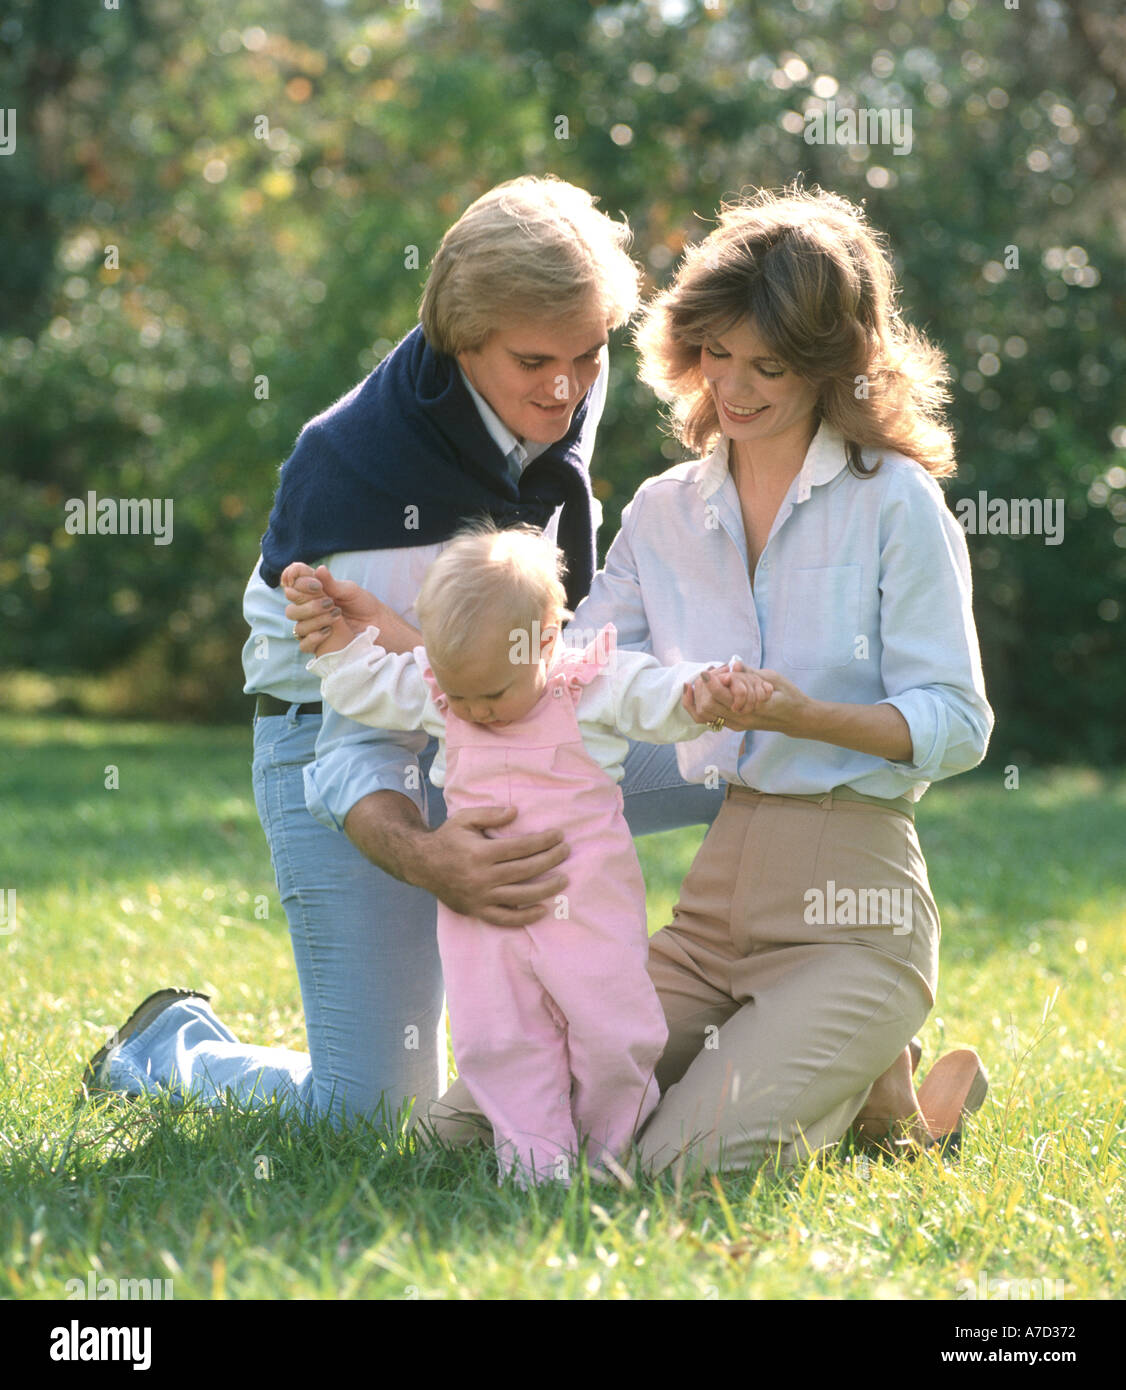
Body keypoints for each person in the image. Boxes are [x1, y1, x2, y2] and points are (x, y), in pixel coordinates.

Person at [297, 184, 994, 1171]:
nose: (735, 389)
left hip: (855, 900)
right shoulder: (666, 509)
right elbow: (552, 674)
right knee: (464, 1139)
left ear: (832, 367)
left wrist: (806, 716)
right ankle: (874, 1087)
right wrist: (394, 635)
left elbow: (956, 720)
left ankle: (871, 1068)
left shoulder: (894, 503)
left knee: (676, 1168)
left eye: (771, 366)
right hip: (715, 908)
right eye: (717, 354)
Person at [80, 176, 725, 1120]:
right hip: (347, 740)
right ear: (462, 341)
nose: (566, 387)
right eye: (536, 361)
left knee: (753, 751)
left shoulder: (561, 361)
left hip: (523, 711)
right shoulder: (369, 502)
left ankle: (777, 1011)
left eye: (588, 358)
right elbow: (358, 746)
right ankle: (167, 1048)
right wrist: (435, 860)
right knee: (372, 1109)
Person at [296, 524, 768, 1183]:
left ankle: (612, 1150)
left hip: (585, 905)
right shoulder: (444, 685)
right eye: (459, 696)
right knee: (498, 1042)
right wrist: (337, 642)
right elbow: (373, 686)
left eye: (491, 695)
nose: (473, 712)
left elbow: (659, 694)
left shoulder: (588, 685)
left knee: (612, 1035)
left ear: (545, 641)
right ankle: (536, 1165)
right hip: (482, 912)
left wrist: (704, 691)